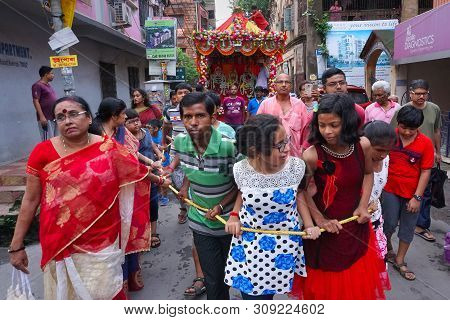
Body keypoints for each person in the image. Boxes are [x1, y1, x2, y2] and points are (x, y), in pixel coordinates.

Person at [9, 96, 169, 300]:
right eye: (60, 117)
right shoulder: (42, 152)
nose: (67, 121)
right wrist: (16, 246)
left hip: (102, 240)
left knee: (105, 294)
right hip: (59, 240)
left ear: (89, 119)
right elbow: (30, 200)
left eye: (74, 114)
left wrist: (159, 180)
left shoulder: (108, 148)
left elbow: (135, 171)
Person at [291, 93, 387, 300]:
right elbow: (302, 191)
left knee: (356, 290)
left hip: (355, 226)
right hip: (325, 233)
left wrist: (363, 206)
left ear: (348, 122)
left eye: (334, 125)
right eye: (322, 125)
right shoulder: (311, 155)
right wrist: (320, 220)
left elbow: (368, 174)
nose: (327, 131)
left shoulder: (363, 145)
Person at [224, 114, 320, 300]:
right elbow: (243, 193)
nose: (286, 149)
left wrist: (309, 225)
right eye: (279, 146)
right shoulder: (241, 169)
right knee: (254, 298)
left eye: (287, 141)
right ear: (256, 151)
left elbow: (299, 194)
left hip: (286, 241)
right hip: (250, 241)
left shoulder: (296, 167)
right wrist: (234, 215)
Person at [90, 98, 162, 294]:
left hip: (128, 189)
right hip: (105, 191)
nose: (125, 117)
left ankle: (130, 277)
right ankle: (113, 286)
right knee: (112, 236)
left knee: (128, 230)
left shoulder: (123, 132)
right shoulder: (94, 133)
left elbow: (132, 157)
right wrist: (154, 176)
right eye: (123, 115)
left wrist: (150, 164)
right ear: (114, 116)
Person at [175, 92, 238, 300]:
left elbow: (243, 185)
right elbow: (190, 168)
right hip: (200, 221)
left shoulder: (230, 147)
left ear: (213, 118)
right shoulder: (180, 143)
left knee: (230, 276)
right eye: (187, 117)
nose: (193, 122)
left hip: (230, 222)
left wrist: (221, 206)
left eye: (200, 116)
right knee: (213, 278)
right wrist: (185, 187)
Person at [383, 106, 434, 281]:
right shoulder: (389, 136)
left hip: (412, 193)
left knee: (407, 228)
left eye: (411, 129)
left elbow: (426, 171)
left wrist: (417, 197)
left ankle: (400, 259)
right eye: (403, 127)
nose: (406, 132)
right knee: (387, 224)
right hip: (389, 189)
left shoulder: (425, 143)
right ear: (398, 123)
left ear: (418, 127)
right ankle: (386, 248)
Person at [390, 79, 442, 242]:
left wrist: (438, 151)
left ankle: (421, 225)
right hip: (403, 157)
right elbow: (394, 131)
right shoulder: (403, 111)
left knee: (424, 192)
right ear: (411, 93)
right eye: (417, 93)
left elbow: (436, 131)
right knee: (394, 205)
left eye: (424, 93)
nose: (420, 96)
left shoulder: (434, 109)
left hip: (426, 155)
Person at [363, 121, 396, 289]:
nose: (383, 155)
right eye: (379, 150)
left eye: (387, 150)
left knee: (376, 268)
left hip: (376, 221)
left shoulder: (387, 159)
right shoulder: (356, 162)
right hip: (357, 222)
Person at [125, 110, 165, 249]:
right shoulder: (126, 139)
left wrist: (159, 153)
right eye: (131, 121)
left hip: (152, 174)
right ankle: (142, 236)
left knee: (153, 204)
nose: (136, 123)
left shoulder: (145, 132)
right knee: (139, 208)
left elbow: (153, 146)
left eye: (137, 119)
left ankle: (154, 233)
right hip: (137, 177)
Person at [257, 73, 309, 158]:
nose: (284, 85)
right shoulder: (265, 104)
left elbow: (306, 131)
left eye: (287, 82)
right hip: (271, 157)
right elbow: (258, 128)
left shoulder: (299, 104)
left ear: (291, 85)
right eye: (280, 82)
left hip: (295, 157)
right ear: (275, 86)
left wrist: (303, 151)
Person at [162, 83, 193, 224]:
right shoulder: (170, 112)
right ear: (175, 96)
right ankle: (184, 208)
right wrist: (163, 142)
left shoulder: (196, 111)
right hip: (175, 151)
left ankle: (194, 208)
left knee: (193, 180)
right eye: (180, 93)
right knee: (177, 182)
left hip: (194, 151)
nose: (183, 95)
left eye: (186, 92)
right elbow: (166, 126)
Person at [148, 119, 171, 206]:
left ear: (156, 129)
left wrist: (170, 140)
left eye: (149, 128)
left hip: (164, 160)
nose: (148, 130)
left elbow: (167, 138)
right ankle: (160, 195)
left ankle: (164, 196)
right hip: (155, 160)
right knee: (157, 179)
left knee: (163, 178)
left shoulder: (161, 134)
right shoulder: (149, 136)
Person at [32, 66, 57, 141]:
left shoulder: (48, 85)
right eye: (51, 73)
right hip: (46, 118)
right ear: (46, 74)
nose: (53, 75)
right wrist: (42, 117)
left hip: (53, 116)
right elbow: (35, 101)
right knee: (47, 141)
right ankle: (47, 153)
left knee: (54, 140)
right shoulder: (37, 85)